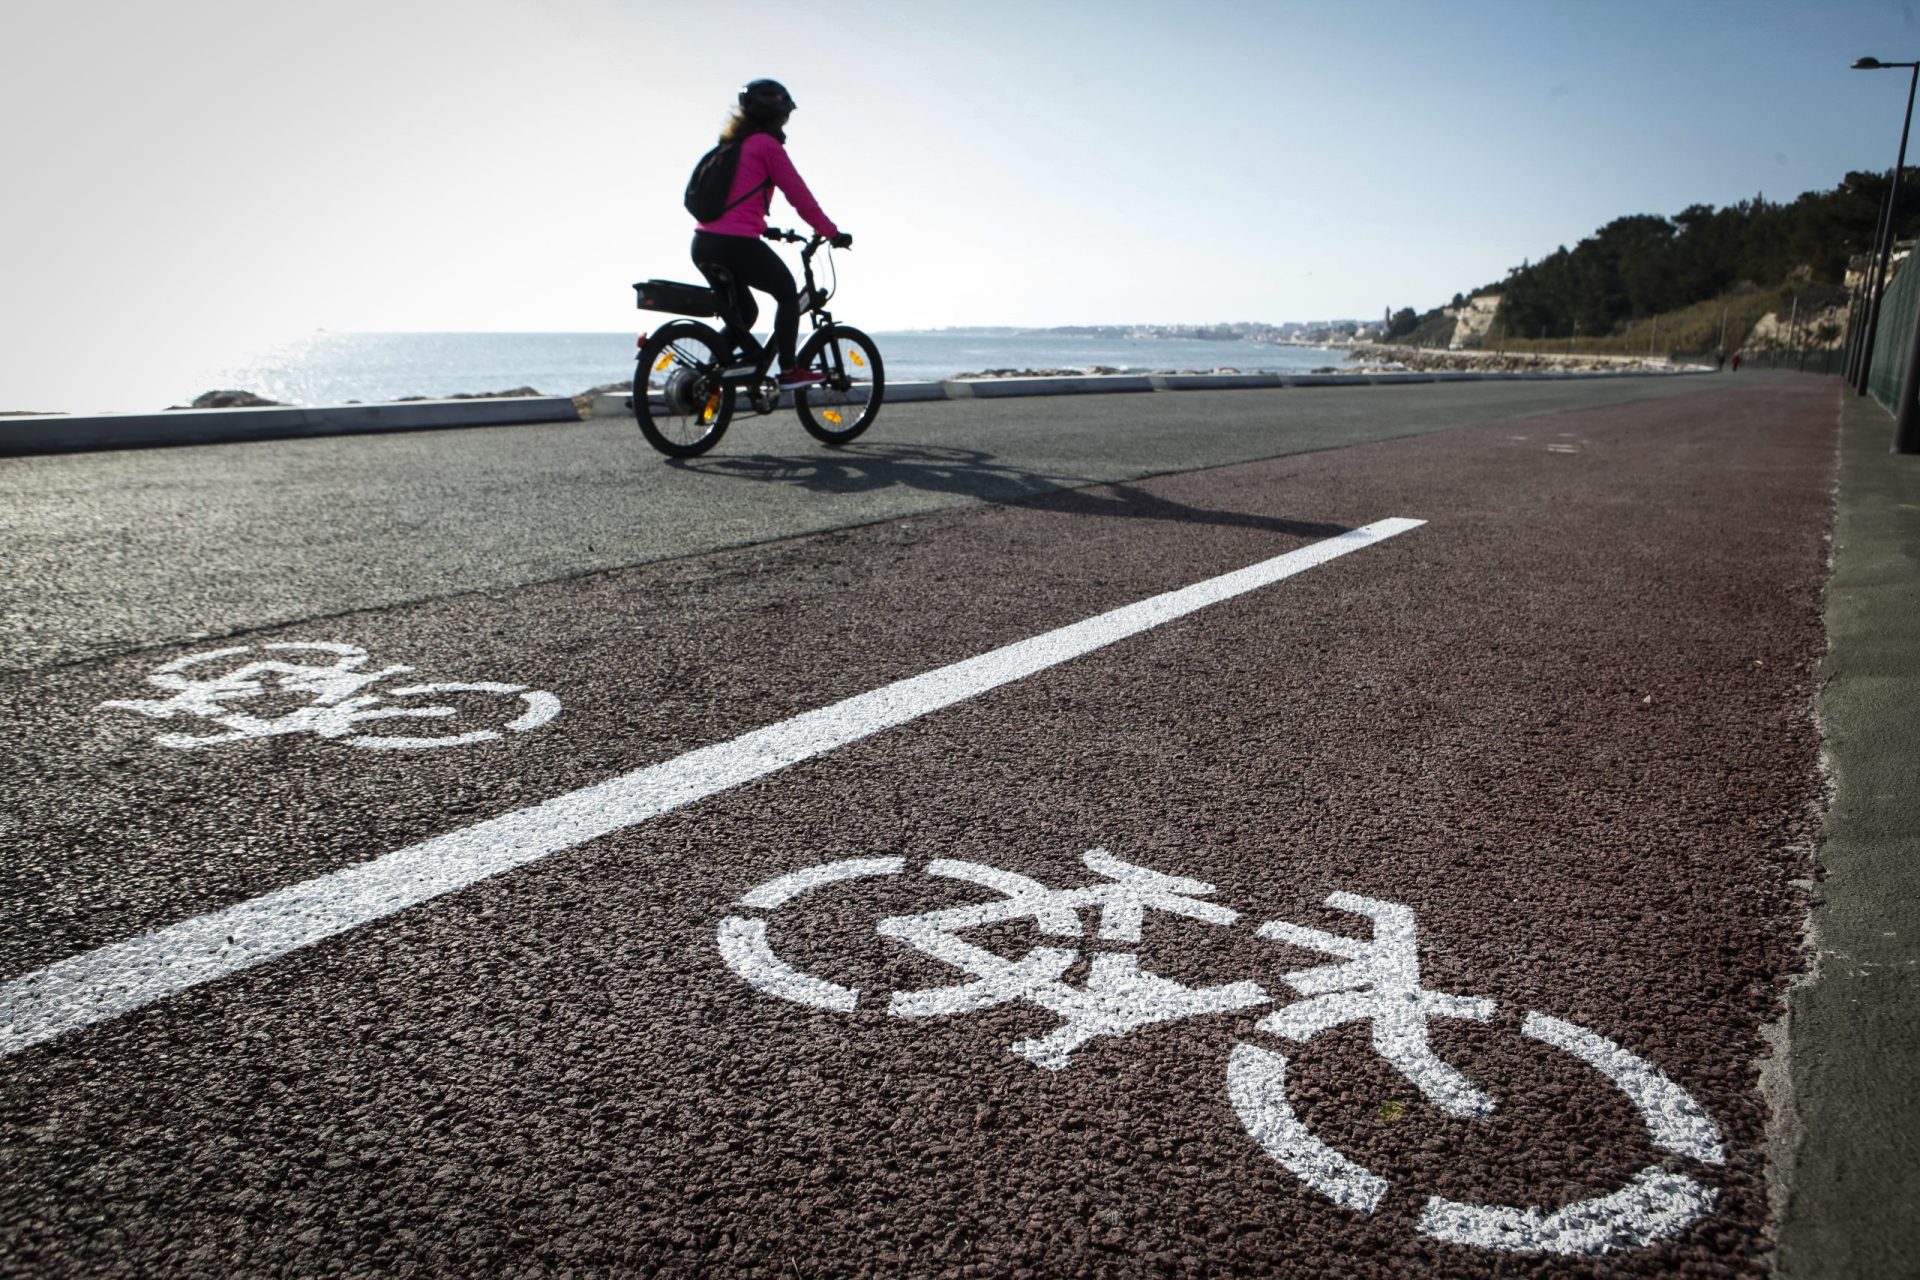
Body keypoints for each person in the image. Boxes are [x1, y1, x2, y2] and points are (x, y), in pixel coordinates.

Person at [691, 79, 852, 389]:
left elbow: (734, 203)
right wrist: (831, 232)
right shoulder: (766, 146)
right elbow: (799, 196)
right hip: (734, 244)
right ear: (777, 116)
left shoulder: (733, 146)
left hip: (703, 244)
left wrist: (765, 228)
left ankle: (706, 380)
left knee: (746, 313)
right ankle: (790, 369)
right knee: (788, 294)